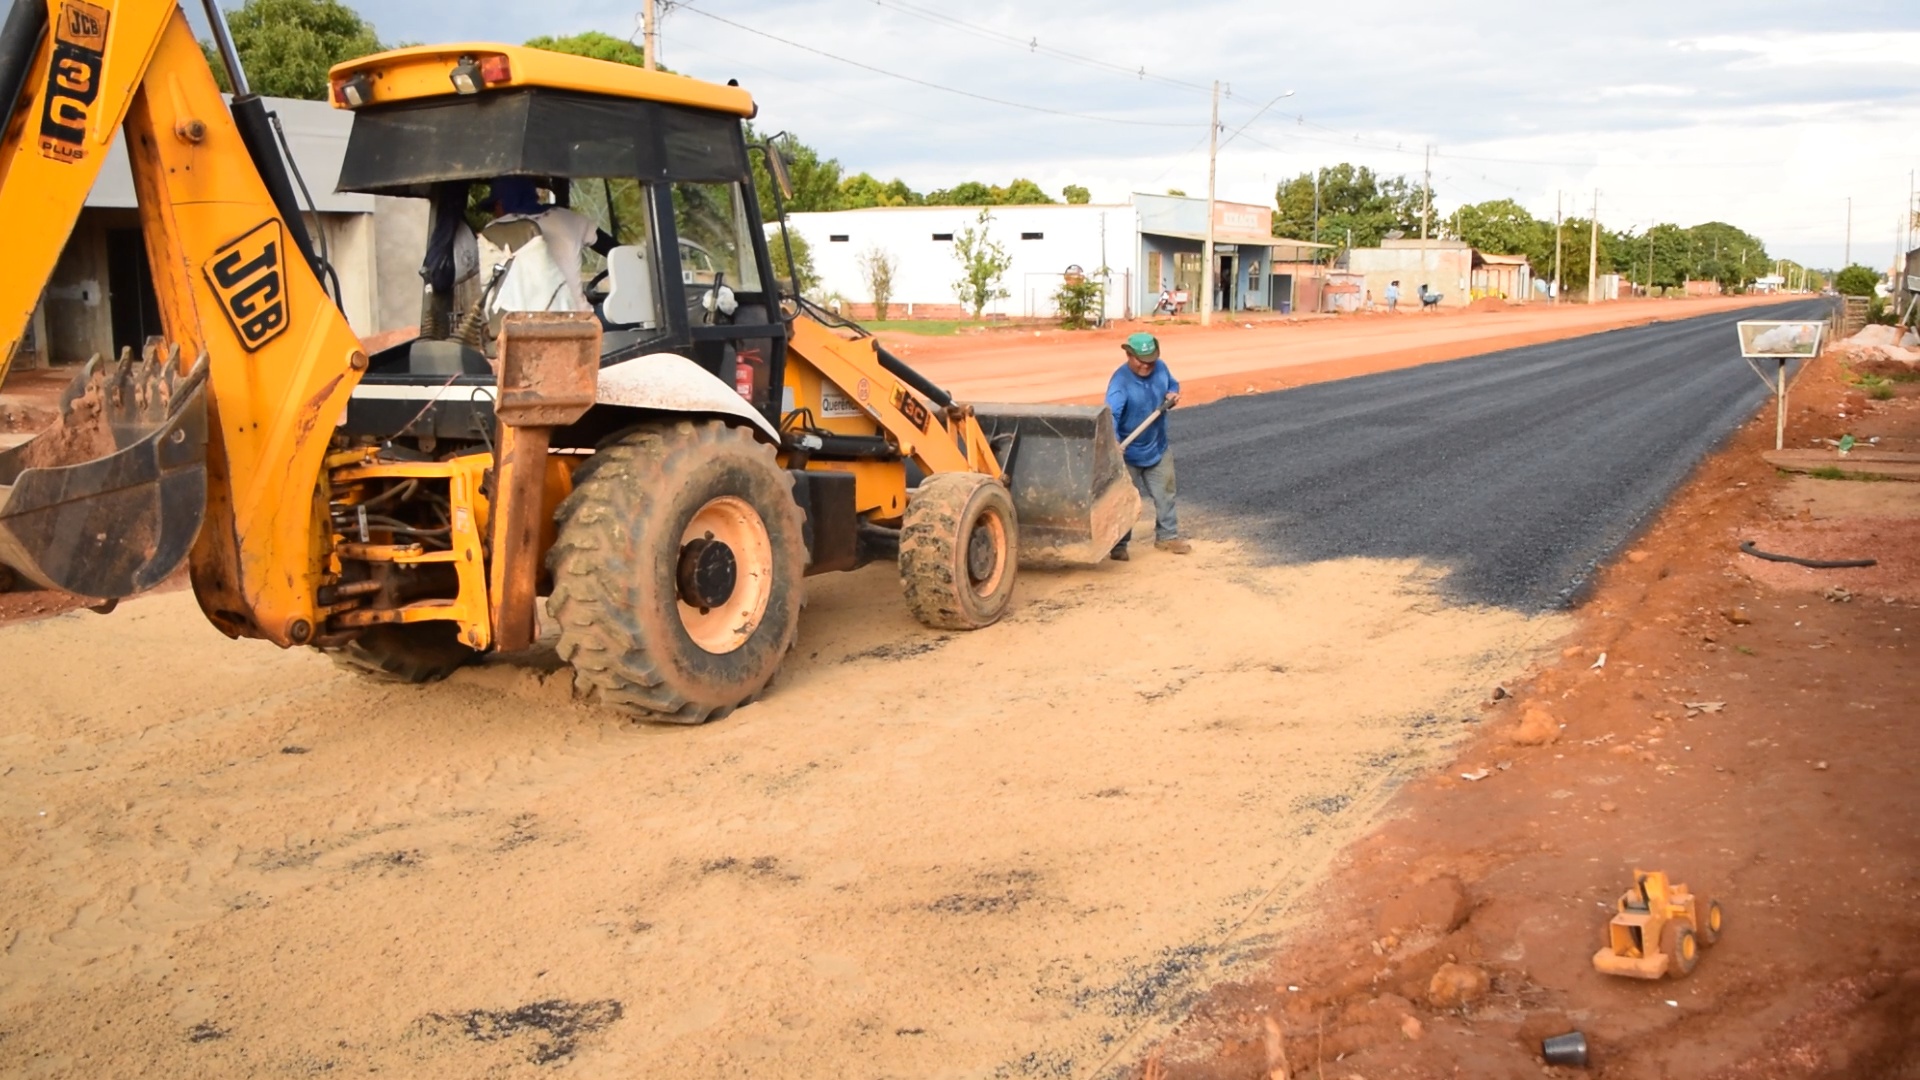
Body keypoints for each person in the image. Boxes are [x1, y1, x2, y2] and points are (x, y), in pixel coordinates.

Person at [1106, 332, 1189, 559]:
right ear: (1129, 355)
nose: (1146, 366)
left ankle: (1167, 537)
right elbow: (1111, 414)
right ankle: (1119, 546)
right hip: (1128, 452)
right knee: (1125, 501)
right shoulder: (1120, 382)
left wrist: (1173, 393)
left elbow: (1172, 384)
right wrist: (1113, 442)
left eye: (1150, 361)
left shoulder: (1160, 368)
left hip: (1157, 447)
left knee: (1166, 494)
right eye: (1141, 361)